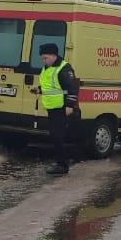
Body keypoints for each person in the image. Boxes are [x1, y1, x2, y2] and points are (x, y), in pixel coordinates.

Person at [36, 42, 80, 175]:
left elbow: (72, 88)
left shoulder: (64, 68)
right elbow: (51, 86)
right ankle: (61, 161)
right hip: (52, 108)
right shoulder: (47, 68)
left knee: (57, 136)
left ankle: (62, 165)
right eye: (42, 58)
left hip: (61, 108)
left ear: (53, 55)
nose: (44, 61)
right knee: (55, 136)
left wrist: (69, 106)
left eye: (45, 58)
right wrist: (39, 90)